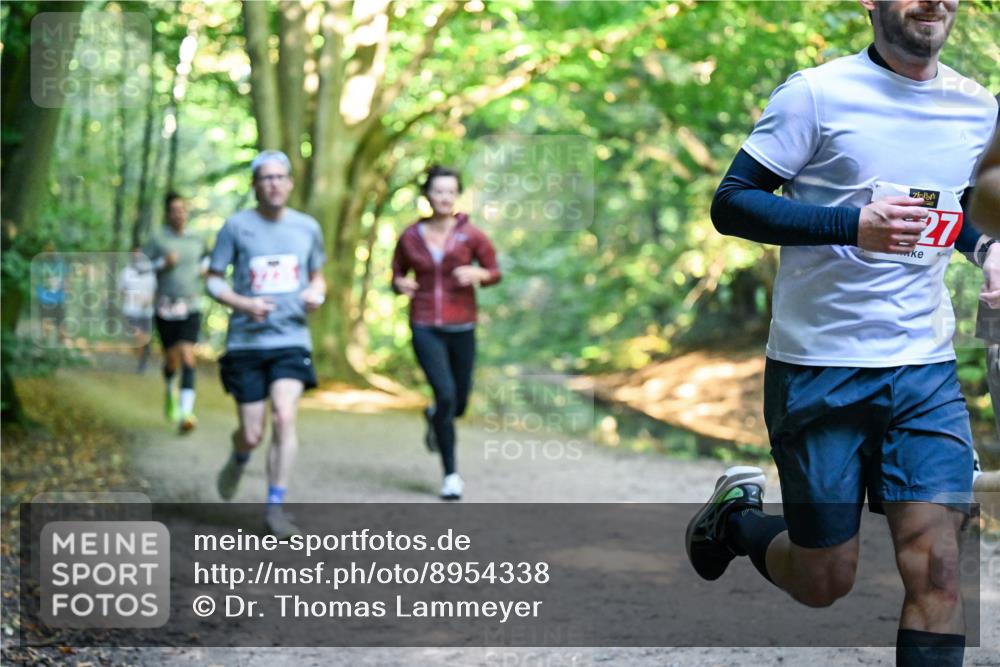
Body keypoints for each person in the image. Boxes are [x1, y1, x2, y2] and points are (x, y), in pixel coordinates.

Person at [684, 3, 997, 666]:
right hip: (818, 365)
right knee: (823, 578)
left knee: (939, 567)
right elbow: (732, 202)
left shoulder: (977, 107)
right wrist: (850, 225)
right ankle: (736, 521)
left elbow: (961, 204)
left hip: (924, 367)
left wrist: (987, 249)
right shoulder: (817, 95)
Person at [207, 150, 326, 538]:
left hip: (291, 338)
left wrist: (316, 294)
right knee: (253, 433)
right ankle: (239, 455)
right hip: (246, 343)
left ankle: (275, 508)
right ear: (255, 185)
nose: (273, 184)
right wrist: (244, 304)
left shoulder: (307, 227)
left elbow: (318, 276)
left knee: (285, 416)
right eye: (266, 178)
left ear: (290, 183)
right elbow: (213, 279)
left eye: (279, 177)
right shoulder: (236, 227)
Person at [391, 165, 501, 500]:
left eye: (450, 192)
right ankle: (451, 475)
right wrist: (400, 284)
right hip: (425, 323)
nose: (444, 197)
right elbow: (396, 274)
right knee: (445, 393)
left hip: (462, 325)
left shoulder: (471, 235)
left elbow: (494, 271)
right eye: (438, 191)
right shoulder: (411, 236)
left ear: (457, 195)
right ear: (427, 195)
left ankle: (434, 417)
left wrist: (479, 275)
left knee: (459, 403)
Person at [144, 192, 210, 433]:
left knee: (188, 355)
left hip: (191, 305)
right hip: (165, 306)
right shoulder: (158, 238)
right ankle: (170, 388)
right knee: (172, 359)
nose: (179, 214)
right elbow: (140, 266)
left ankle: (186, 413)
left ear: (187, 212)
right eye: (174, 210)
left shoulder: (197, 239)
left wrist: (205, 269)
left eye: (182, 209)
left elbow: (207, 259)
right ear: (168, 213)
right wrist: (162, 263)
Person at [117, 245, 156, 373]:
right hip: (131, 310)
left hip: (147, 311)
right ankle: (142, 359)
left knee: (145, 337)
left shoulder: (152, 273)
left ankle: (142, 361)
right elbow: (120, 289)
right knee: (138, 335)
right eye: (135, 254)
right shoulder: (126, 272)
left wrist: (150, 300)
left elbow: (156, 291)